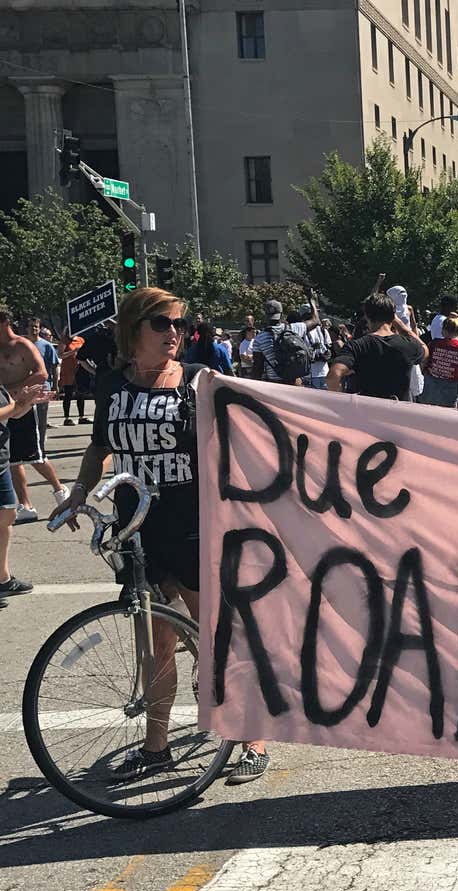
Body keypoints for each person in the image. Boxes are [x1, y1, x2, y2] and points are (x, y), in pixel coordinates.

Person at [48, 287, 269, 782]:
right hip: (137, 530)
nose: (176, 333)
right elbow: (100, 445)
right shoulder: (111, 385)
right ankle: (156, 747)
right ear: (133, 329)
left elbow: (251, 433)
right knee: (157, 645)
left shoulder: (198, 382)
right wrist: (78, 493)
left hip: (193, 527)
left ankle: (252, 734)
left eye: (180, 324)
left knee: (217, 636)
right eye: (163, 324)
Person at [3, 315, 66, 525]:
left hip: (23, 406)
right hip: (5, 408)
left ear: (4, 323)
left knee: (35, 456)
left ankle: (60, 489)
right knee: (11, 458)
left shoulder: (22, 345)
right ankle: (26, 505)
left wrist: (13, 390)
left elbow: (41, 373)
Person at [327, 292, 428, 400]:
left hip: (366, 410)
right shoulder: (408, 345)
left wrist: (342, 400)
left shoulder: (357, 345)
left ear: (367, 317)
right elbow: (425, 351)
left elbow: (333, 376)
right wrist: (399, 323)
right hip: (398, 412)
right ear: (392, 316)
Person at [420, 317, 458, 407]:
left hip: (429, 388)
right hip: (449, 391)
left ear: (443, 330)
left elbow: (424, 362)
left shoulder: (433, 344)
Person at [293, 306, 333, 389]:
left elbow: (329, 347)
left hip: (324, 373)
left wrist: (327, 355)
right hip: (309, 376)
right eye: (314, 313)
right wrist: (314, 356)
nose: (316, 315)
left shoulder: (322, 330)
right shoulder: (300, 331)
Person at [58, 332, 85, 425]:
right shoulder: (64, 341)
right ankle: (67, 418)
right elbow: (60, 355)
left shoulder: (80, 340)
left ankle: (81, 417)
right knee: (68, 394)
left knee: (81, 393)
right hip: (68, 371)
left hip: (79, 370)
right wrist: (73, 352)